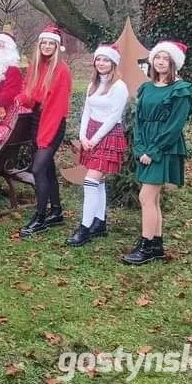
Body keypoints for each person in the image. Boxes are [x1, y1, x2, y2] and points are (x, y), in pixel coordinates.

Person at [123, 41, 192, 265]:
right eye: (157, 57)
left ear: (174, 62)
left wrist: (153, 151)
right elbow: (139, 121)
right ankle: (155, 244)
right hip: (146, 146)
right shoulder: (147, 87)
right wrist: (141, 147)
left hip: (164, 147)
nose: (161, 61)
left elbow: (174, 126)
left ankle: (146, 246)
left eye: (166, 58)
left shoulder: (181, 90)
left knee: (146, 196)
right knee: (151, 198)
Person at [66, 44, 128, 247]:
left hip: (108, 135)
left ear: (113, 63)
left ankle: (84, 229)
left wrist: (95, 139)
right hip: (90, 134)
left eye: (106, 60)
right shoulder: (93, 84)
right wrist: (83, 136)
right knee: (98, 181)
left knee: (90, 181)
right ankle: (99, 222)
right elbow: (87, 110)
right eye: (99, 59)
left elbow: (114, 117)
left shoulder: (119, 86)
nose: (101, 63)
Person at [17, 25, 73, 238]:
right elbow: (30, 95)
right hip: (37, 119)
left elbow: (56, 108)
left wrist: (45, 137)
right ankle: (56, 211)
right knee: (47, 168)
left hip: (53, 122)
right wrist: (19, 98)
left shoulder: (61, 71)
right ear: (39, 45)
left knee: (38, 169)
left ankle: (40, 218)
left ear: (57, 47)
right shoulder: (36, 66)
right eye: (44, 43)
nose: (47, 46)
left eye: (52, 43)